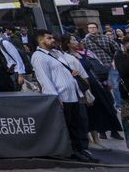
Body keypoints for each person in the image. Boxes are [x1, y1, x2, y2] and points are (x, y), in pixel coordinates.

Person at [32, 30, 94, 163]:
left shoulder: (56, 53)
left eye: (52, 37)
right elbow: (44, 79)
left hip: (72, 95)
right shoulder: (38, 56)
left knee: (75, 125)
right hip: (61, 97)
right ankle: (71, 151)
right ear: (41, 40)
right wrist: (55, 98)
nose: (53, 40)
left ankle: (79, 149)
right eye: (49, 38)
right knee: (67, 126)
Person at [70, 34, 123, 142]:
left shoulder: (86, 53)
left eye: (76, 40)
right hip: (86, 85)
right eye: (73, 40)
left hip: (97, 82)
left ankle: (114, 130)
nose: (77, 42)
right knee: (95, 109)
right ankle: (101, 132)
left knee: (108, 105)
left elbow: (97, 66)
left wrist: (104, 81)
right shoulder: (68, 57)